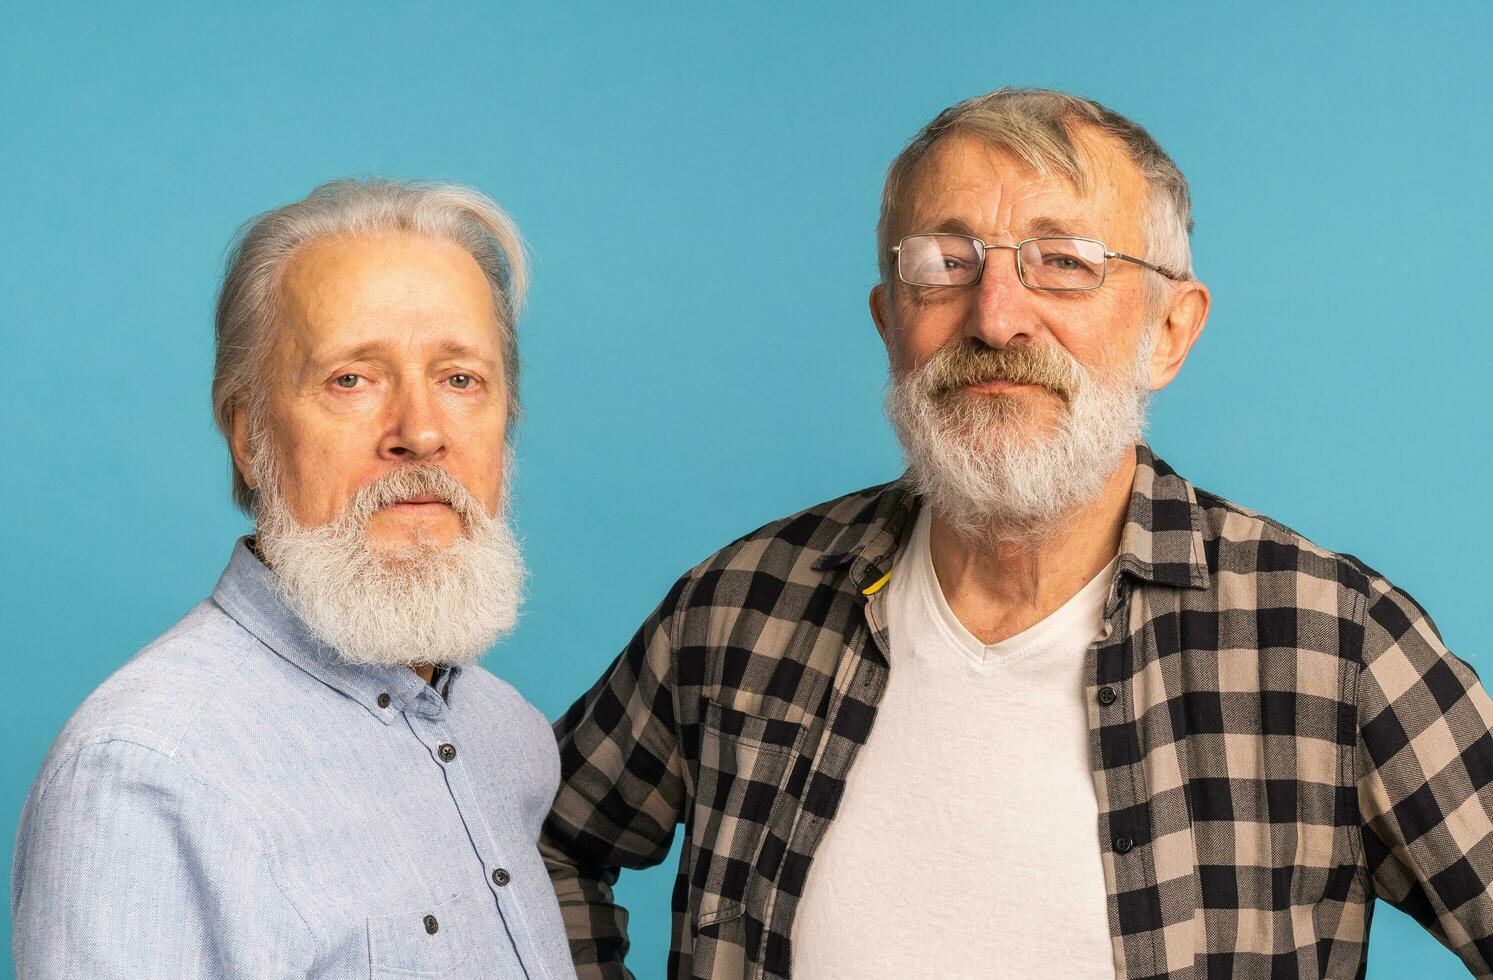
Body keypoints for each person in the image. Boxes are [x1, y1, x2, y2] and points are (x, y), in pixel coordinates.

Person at [541, 88, 1493, 979]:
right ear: (889, 320)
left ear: (1169, 329)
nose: (995, 319)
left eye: (1065, 263)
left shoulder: (1332, 641)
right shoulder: (738, 608)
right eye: (943, 265)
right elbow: (542, 845)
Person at [12, 179, 577, 979]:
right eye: (353, 379)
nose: (420, 433)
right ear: (247, 435)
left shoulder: (506, 735)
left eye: (460, 379)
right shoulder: (146, 774)